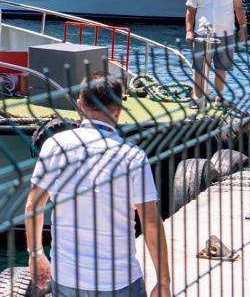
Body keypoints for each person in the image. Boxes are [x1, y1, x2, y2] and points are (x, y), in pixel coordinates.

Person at [26, 72, 171, 297]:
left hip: (67, 279)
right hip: (118, 280)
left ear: (80, 105)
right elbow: (150, 222)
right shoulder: (132, 157)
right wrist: (163, 281)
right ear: (118, 111)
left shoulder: (54, 146)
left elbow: (33, 206)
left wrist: (36, 253)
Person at [185, 0, 247, 107]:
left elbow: (238, 7)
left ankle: (219, 97)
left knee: (221, 67)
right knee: (199, 68)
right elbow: (190, 11)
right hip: (202, 33)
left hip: (226, 33)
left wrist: (242, 28)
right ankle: (197, 97)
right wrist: (189, 31)